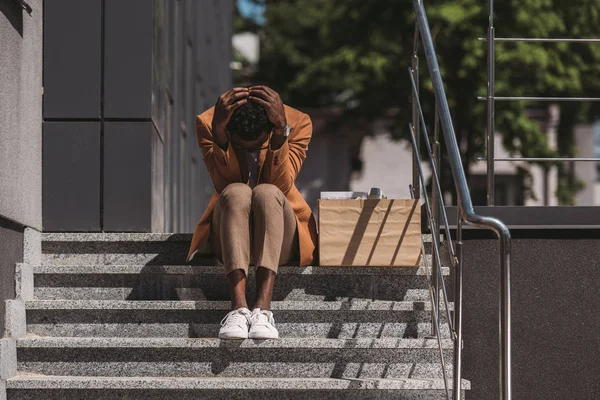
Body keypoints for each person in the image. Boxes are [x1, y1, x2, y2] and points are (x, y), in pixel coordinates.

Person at [186, 85, 318, 340]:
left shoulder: (298, 122)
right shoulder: (207, 122)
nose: (251, 153)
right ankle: (238, 308)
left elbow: (281, 185)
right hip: (229, 231)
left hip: (281, 234)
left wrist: (280, 134)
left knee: (267, 192)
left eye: (258, 147)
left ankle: (263, 309)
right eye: (244, 148)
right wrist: (221, 137)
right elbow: (224, 184)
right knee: (237, 192)